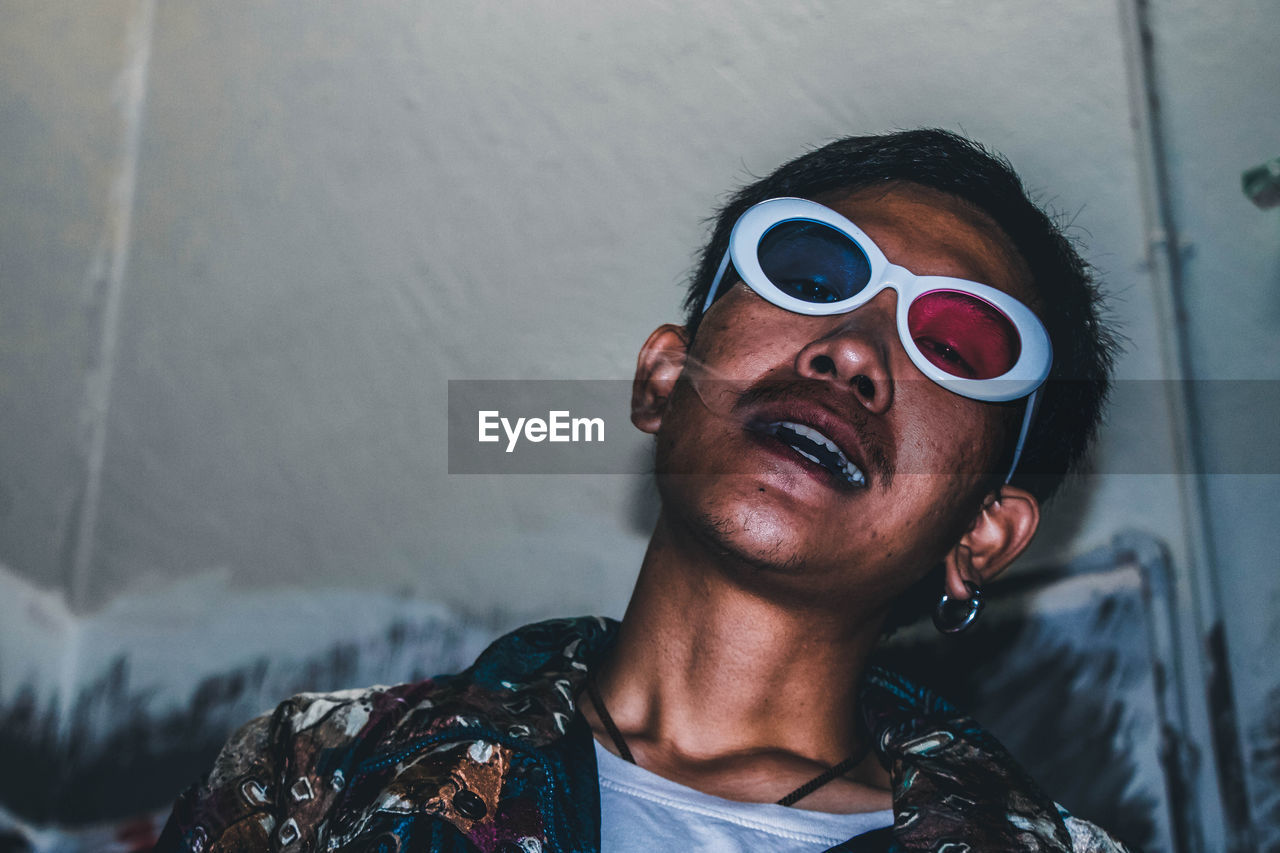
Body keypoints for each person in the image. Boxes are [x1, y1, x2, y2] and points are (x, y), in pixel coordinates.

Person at [154, 130, 1132, 852]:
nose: (850, 349)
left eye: (954, 344)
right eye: (809, 272)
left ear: (982, 534)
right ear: (664, 378)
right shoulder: (309, 775)